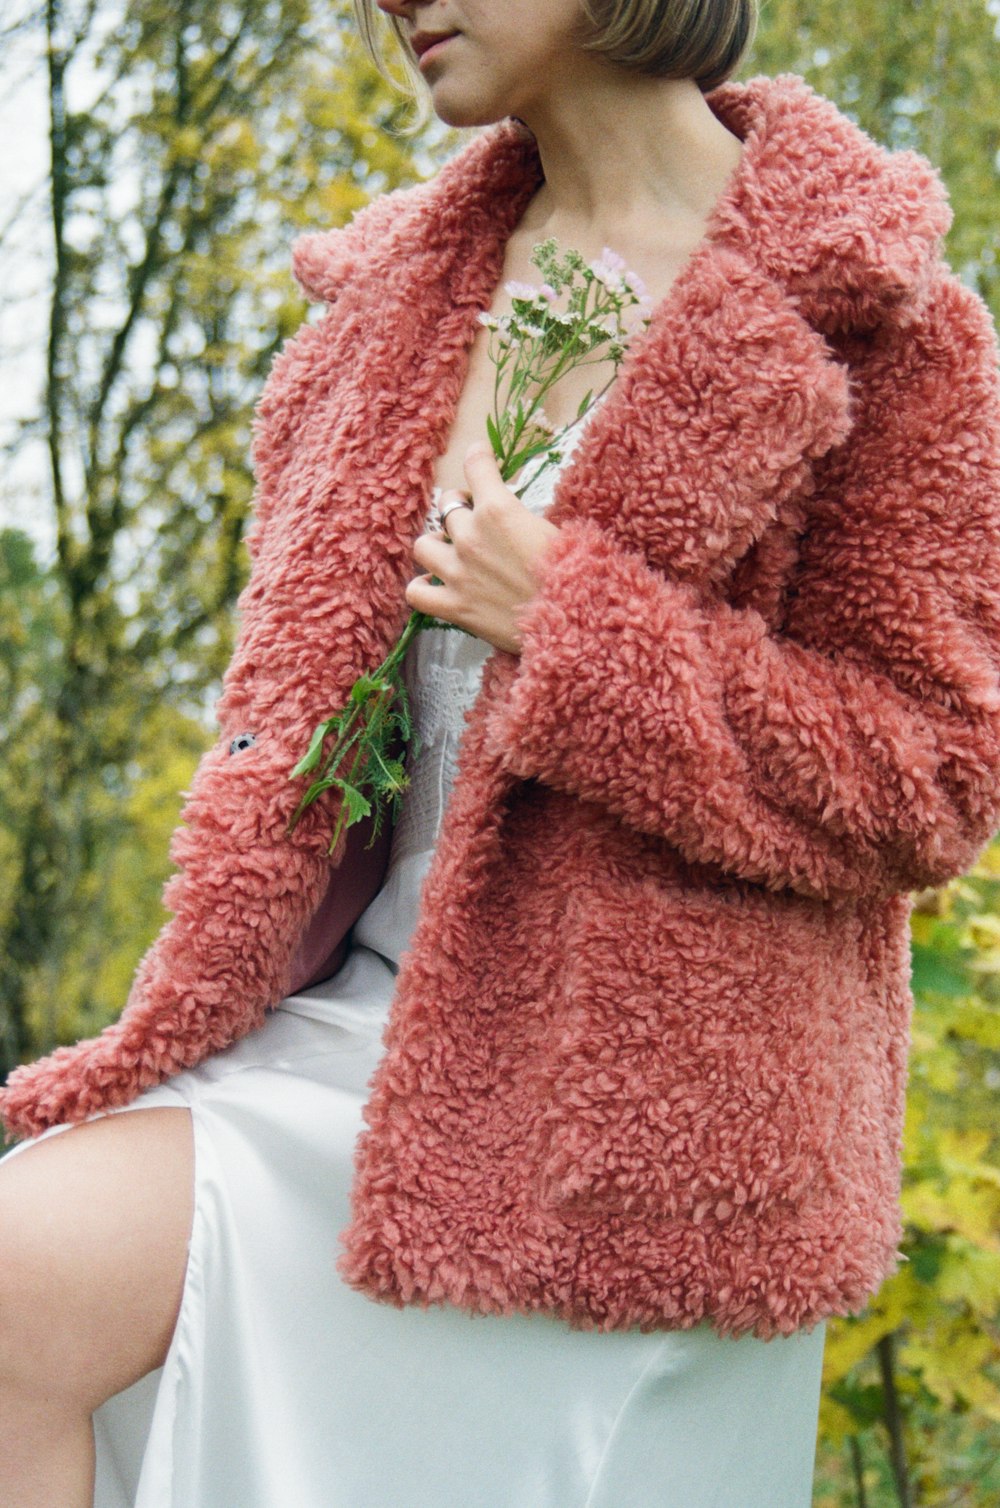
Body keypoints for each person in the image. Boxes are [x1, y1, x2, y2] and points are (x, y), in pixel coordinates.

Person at [3, 1, 1000, 1504]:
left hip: (626, 1123)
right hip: (341, 1040)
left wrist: (582, 629)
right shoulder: (377, 311)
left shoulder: (886, 319)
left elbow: (933, 775)